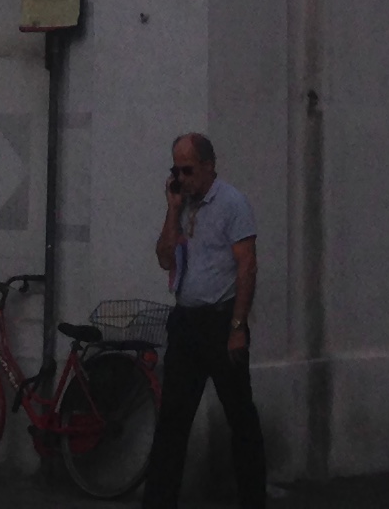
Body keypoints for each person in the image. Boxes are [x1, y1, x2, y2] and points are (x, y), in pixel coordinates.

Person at [144, 131, 266, 509]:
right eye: (175, 170)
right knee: (172, 421)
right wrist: (171, 208)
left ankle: (252, 499)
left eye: (188, 170)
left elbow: (247, 266)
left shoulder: (232, 203)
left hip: (221, 320)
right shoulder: (183, 205)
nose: (182, 177)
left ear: (209, 167)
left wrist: (237, 327)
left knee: (240, 417)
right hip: (186, 322)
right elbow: (165, 257)